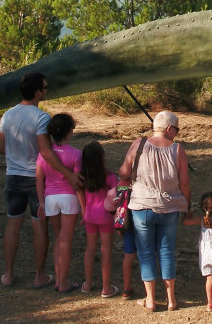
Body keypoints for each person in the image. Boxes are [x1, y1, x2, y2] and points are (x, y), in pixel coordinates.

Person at [0, 72, 81, 289]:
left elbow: (0, 148)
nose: (46, 90)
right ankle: (40, 276)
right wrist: (67, 173)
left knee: (12, 225)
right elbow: (46, 152)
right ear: (37, 92)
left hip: (12, 176)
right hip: (34, 178)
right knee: (39, 227)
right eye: (45, 87)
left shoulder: (7, 115)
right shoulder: (41, 118)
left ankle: (8, 275)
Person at [118, 110, 190, 312]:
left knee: (146, 252)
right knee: (167, 252)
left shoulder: (139, 144)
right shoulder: (177, 150)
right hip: (169, 207)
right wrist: (187, 204)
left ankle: (150, 300)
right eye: (176, 128)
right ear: (169, 128)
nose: (177, 132)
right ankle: (171, 299)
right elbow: (184, 182)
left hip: (142, 206)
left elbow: (124, 172)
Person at [35, 113, 82, 294]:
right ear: (69, 132)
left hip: (50, 198)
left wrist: (41, 201)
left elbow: (39, 179)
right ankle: (64, 282)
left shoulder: (44, 155)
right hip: (68, 198)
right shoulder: (75, 154)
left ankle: (58, 278)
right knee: (66, 241)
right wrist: (83, 207)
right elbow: (77, 183)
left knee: (57, 237)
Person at [76, 141, 120, 298]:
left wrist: (84, 210)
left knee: (90, 248)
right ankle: (106, 287)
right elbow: (118, 196)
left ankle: (87, 283)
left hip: (90, 216)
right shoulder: (109, 177)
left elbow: (78, 191)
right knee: (106, 250)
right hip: (106, 216)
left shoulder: (83, 176)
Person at [103, 179, 139, 300]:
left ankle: (126, 286)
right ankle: (149, 289)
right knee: (146, 254)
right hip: (143, 218)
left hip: (127, 221)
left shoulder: (122, 185)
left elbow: (112, 202)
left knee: (128, 255)